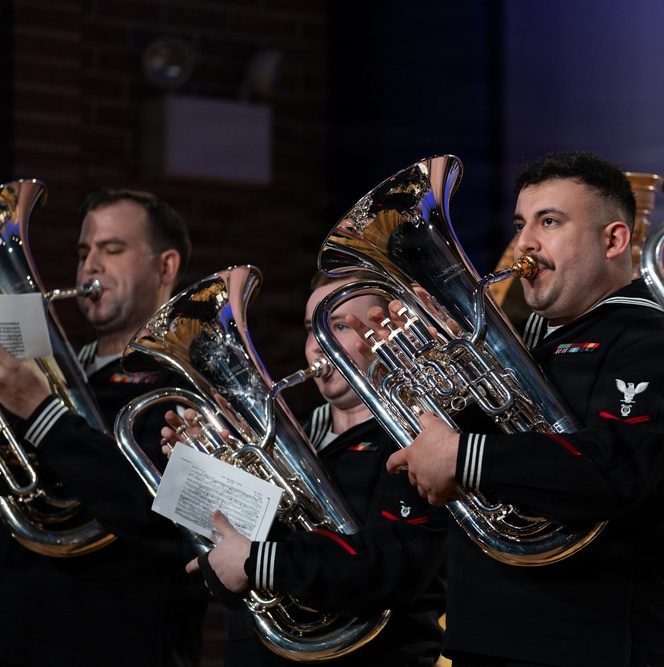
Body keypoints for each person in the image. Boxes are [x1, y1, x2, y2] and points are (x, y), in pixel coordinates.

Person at [381, 150, 664, 666]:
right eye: (520, 224)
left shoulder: (653, 336)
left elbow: (611, 468)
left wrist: (462, 456)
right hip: (487, 639)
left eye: (550, 222)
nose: (526, 243)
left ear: (613, 240)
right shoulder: (528, 346)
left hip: (596, 646)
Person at [177, 271, 448, 666]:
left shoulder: (418, 440)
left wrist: (262, 562)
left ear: (383, 334)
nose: (318, 345)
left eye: (336, 326)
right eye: (311, 329)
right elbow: (222, 565)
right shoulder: (285, 443)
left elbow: (392, 566)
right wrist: (205, 472)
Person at [0, 187, 208, 666]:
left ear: (166, 267)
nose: (89, 266)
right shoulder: (50, 373)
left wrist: (41, 412)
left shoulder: (189, 388)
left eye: (112, 250)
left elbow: (162, 516)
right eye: (83, 252)